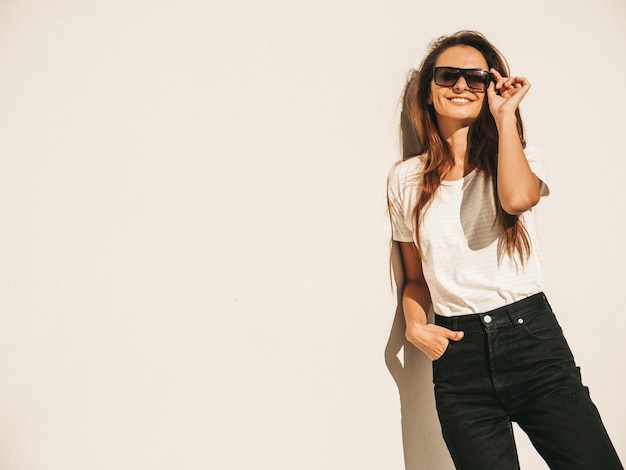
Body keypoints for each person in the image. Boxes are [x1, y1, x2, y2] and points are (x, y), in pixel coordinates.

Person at [387, 30, 623, 470]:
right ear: (429, 90)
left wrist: (506, 116)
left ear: (490, 86)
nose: (460, 86)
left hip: (531, 342)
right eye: (447, 76)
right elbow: (416, 278)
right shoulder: (406, 179)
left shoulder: (517, 156)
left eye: (474, 78)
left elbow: (517, 200)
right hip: (459, 362)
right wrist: (416, 327)